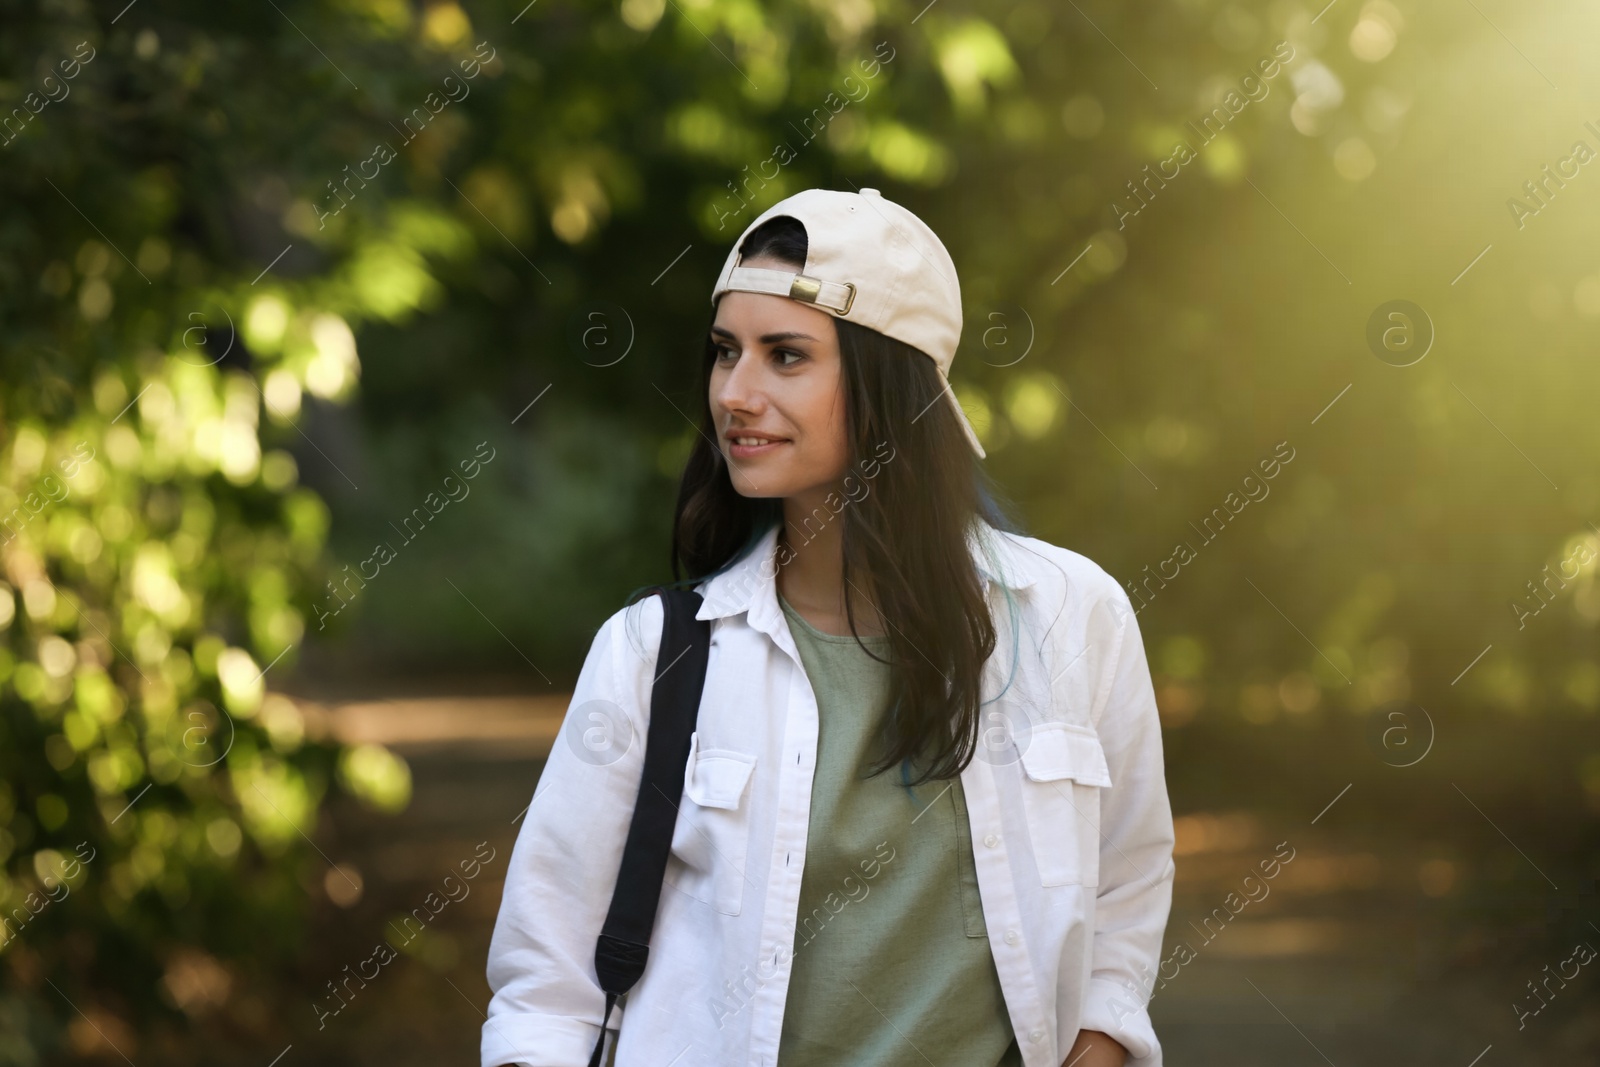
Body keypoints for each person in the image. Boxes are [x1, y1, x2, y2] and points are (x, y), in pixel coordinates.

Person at [481, 187, 1175, 1067]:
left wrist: (1101, 1041)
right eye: (726, 352)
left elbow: (1130, 874)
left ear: (889, 379)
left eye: (786, 356)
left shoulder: (1077, 616)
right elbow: (546, 983)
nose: (736, 392)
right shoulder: (652, 653)